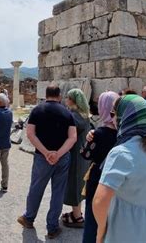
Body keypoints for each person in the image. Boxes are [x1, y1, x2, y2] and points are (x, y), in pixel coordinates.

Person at [92, 94, 146, 243]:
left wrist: (100, 231)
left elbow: (100, 200)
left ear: (124, 117)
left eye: (114, 114)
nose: (113, 119)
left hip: (125, 229)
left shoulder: (121, 153)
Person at [17, 84, 77, 239]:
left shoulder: (37, 110)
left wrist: (45, 152)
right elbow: (73, 137)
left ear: (46, 94)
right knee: (58, 192)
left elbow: (30, 134)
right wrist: (58, 154)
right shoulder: (67, 113)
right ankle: (52, 227)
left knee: (36, 187)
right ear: (59, 96)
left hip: (41, 158)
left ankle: (29, 218)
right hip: (62, 158)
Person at [80, 91, 119, 243]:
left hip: (98, 178)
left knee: (92, 218)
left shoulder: (98, 134)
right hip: (118, 180)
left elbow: (85, 155)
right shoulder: (124, 133)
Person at [61, 89, 91, 228]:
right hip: (83, 154)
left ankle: (77, 217)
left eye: (68, 97)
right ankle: (76, 213)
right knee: (79, 183)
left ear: (73, 100)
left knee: (74, 183)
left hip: (75, 155)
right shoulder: (85, 115)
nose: (66, 99)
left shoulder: (74, 116)